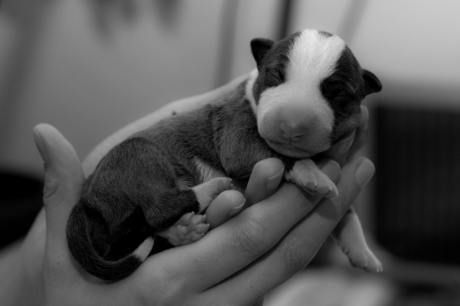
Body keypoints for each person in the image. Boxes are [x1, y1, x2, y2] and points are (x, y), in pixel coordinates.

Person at [0, 74, 375, 306]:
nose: (294, 124)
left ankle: (164, 228)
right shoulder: (239, 117)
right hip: (142, 176)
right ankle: (169, 215)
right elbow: (241, 157)